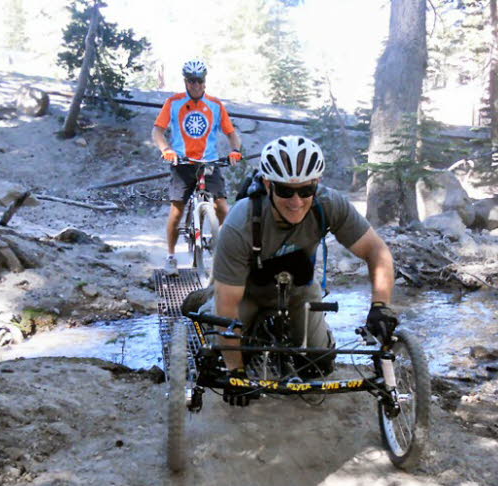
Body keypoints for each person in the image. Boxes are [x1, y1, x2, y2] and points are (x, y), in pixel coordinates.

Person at [195, 135, 398, 383]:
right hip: (245, 292)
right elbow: (228, 308)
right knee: (226, 353)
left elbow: (377, 252)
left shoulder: (329, 204)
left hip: (298, 289)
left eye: (306, 190)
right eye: (285, 190)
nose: (296, 201)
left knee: (318, 366)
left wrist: (380, 306)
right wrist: (236, 373)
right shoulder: (241, 221)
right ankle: (205, 302)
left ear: (316, 183)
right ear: (269, 185)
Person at [152, 59, 243, 277]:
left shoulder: (215, 105)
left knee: (223, 208)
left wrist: (235, 151)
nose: (195, 85)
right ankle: (171, 257)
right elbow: (157, 131)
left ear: (205, 82)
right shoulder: (174, 103)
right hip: (182, 164)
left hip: (209, 162)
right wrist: (166, 149)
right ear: (185, 82)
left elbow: (231, 133)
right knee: (177, 210)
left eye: (199, 81)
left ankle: (218, 241)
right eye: (191, 80)